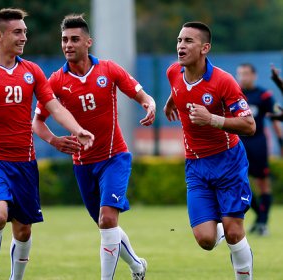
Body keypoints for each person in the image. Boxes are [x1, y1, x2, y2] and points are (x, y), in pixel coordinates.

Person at [0, 8, 94, 280]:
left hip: (25, 163)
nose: (23, 37)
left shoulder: (32, 71)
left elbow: (54, 107)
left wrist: (78, 129)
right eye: (17, 32)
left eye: (25, 32)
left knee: (23, 231)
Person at [33, 14, 156, 280]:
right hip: (82, 164)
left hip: (115, 157)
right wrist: (54, 140)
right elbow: (37, 123)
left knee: (108, 220)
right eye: (64, 40)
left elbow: (139, 93)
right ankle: (137, 266)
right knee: (106, 227)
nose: (68, 44)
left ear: (89, 42)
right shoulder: (55, 81)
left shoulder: (108, 70)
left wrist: (150, 104)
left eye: (74, 39)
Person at [163, 22, 255, 279]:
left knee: (235, 233)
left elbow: (250, 125)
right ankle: (223, 226)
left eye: (188, 41)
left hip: (228, 163)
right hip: (196, 166)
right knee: (205, 240)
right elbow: (178, 87)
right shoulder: (173, 72)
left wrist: (212, 119)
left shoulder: (224, 81)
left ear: (205, 48)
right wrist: (170, 103)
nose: (181, 45)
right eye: (179, 40)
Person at [236, 63, 283, 236]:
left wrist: (280, 141)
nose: (243, 77)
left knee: (262, 183)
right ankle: (260, 218)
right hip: (238, 145)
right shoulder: (234, 93)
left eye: (246, 73)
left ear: (254, 75)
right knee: (240, 184)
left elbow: (275, 118)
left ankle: (263, 223)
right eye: (240, 74)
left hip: (258, 144)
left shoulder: (264, 95)